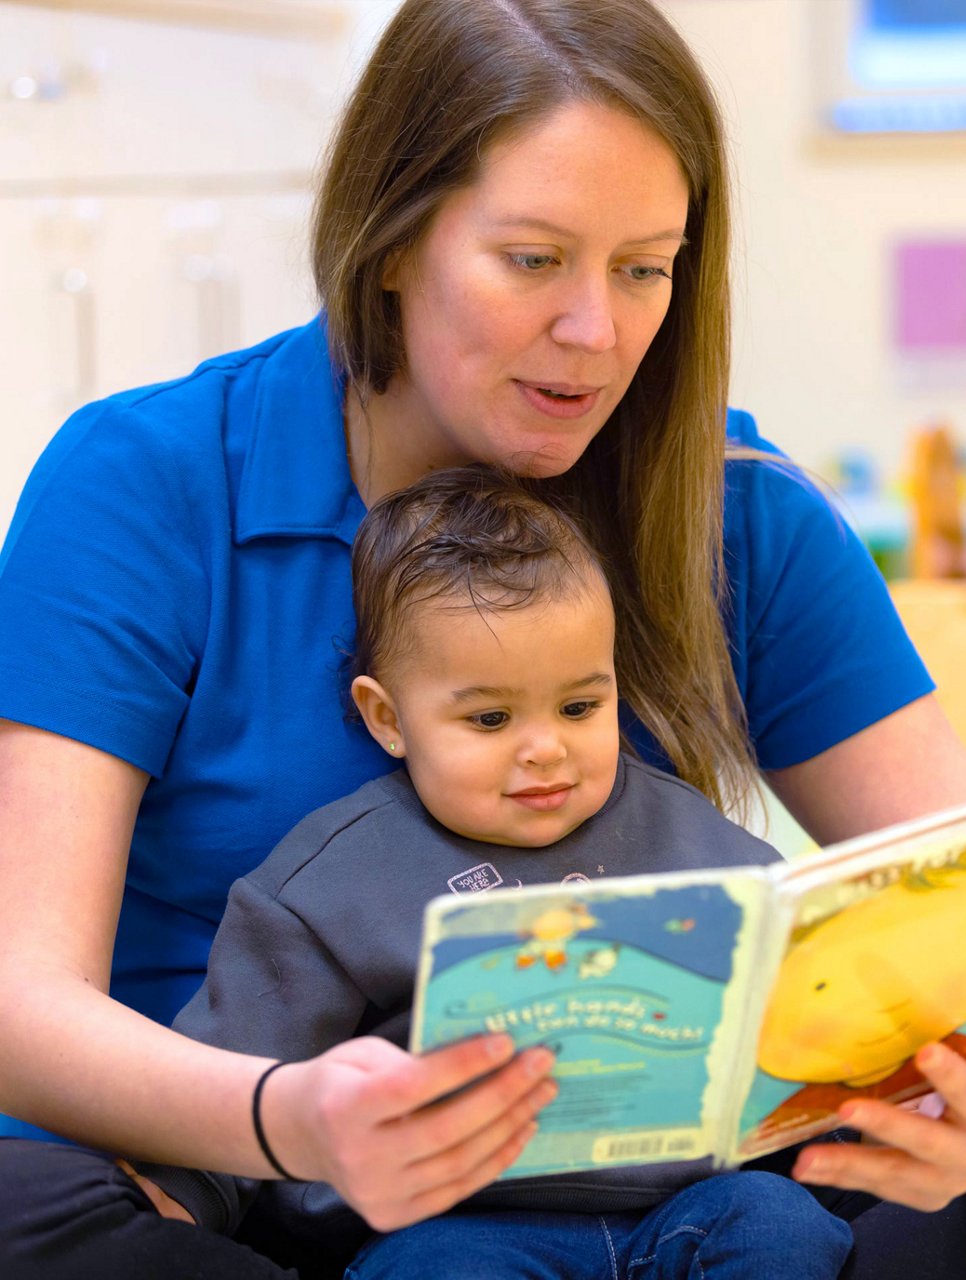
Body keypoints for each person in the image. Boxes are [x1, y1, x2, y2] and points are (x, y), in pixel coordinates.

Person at [0, 0, 966, 1276]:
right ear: (389, 244)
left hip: (667, 1202)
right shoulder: (142, 483)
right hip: (226, 1181)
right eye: (534, 260)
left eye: (645, 267)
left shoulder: (737, 510)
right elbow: (19, 1006)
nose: (597, 332)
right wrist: (289, 1119)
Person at [124, 464, 855, 1279]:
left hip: (684, 1206)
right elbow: (242, 1062)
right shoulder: (332, 883)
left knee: (783, 1224)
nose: (546, 747)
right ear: (388, 719)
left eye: (581, 707)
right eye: (491, 718)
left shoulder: (693, 836)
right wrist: (178, 1196)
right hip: (462, 1222)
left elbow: (805, 998)